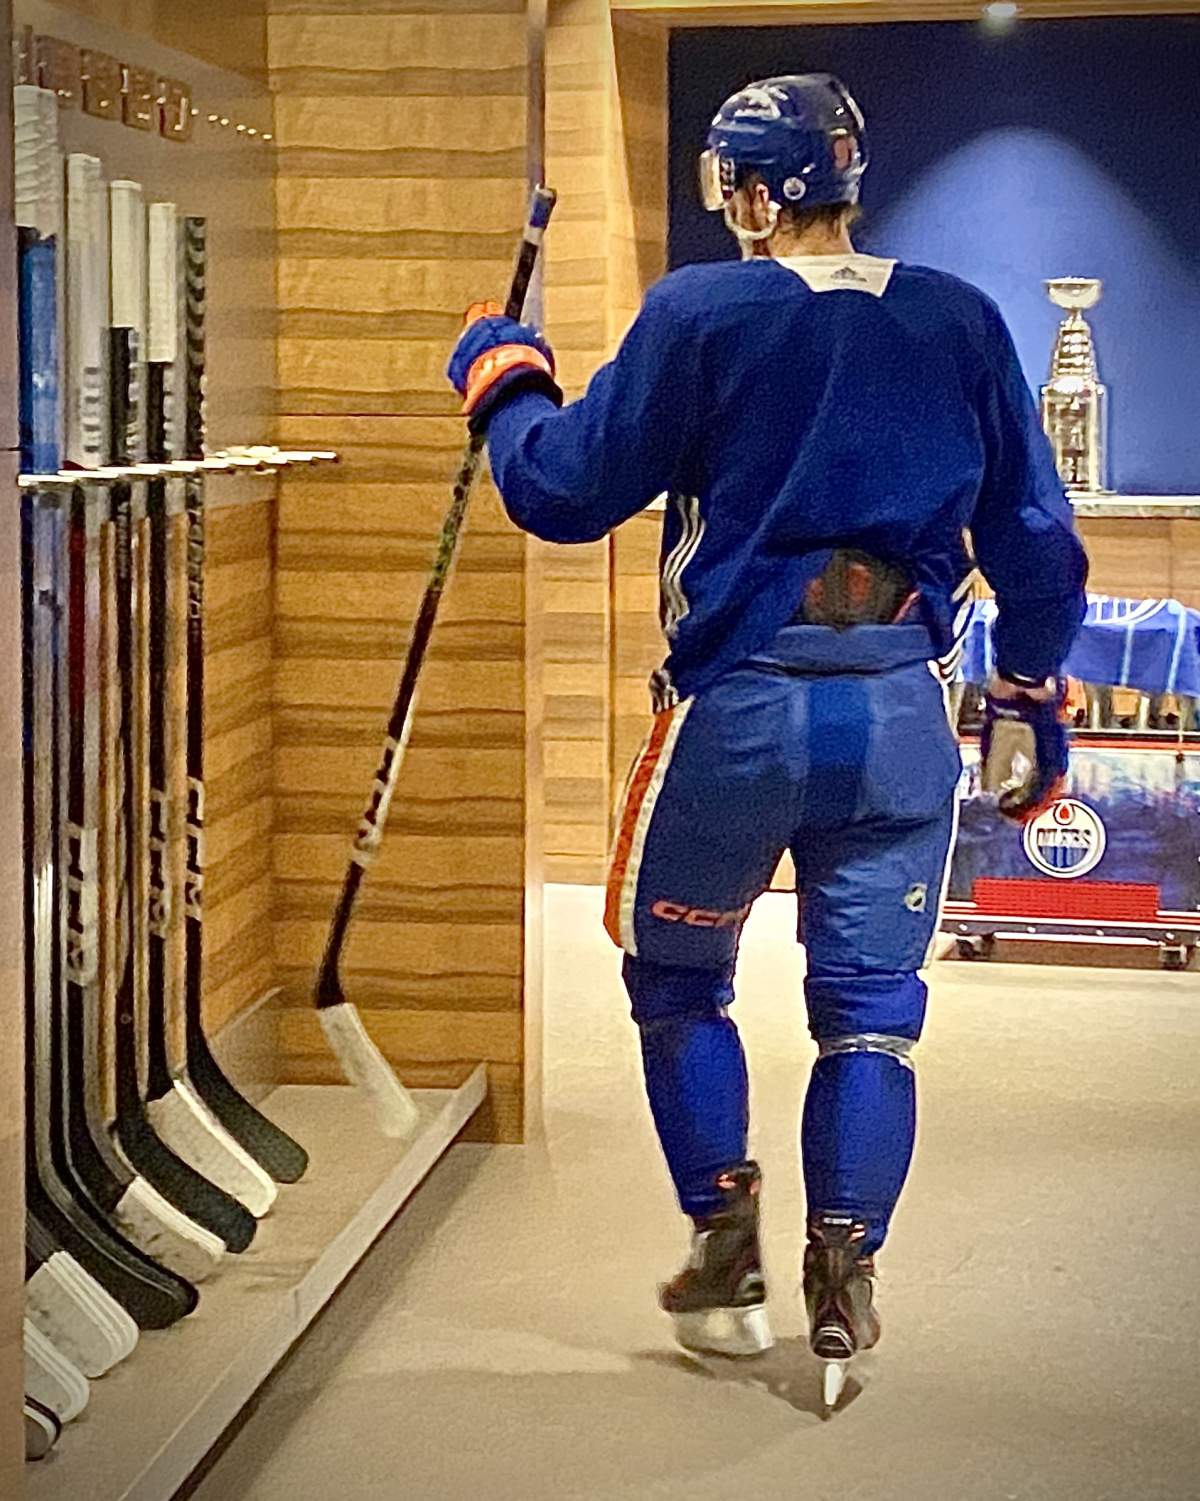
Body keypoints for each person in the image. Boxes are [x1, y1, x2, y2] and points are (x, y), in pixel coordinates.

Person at [446, 73, 1088, 1400]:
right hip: (903, 713)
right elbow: (1040, 551)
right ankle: (845, 1273)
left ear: (749, 192)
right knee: (872, 1017)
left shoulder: (700, 309)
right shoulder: (961, 317)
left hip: (736, 706)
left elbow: (562, 490)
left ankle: (723, 1243)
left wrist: (504, 382)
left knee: (679, 980)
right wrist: (1026, 690)